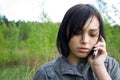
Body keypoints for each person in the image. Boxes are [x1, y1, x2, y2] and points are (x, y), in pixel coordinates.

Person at [33, 4, 120, 80]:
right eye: (77, 33)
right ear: (65, 33)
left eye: (92, 34)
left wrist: (99, 67)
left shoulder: (110, 67)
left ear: (100, 38)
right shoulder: (46, 74)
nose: (85, 41)